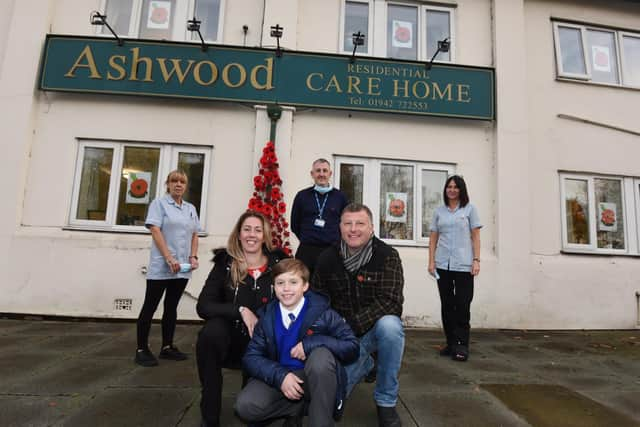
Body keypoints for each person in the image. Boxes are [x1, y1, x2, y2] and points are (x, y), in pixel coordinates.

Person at [235, 259, 359, 427]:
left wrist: (312, 344)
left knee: (320, 358)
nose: (286, 289)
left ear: (305, 286)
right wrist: (280, 376)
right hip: (281, 375)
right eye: (280, 283)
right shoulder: (266, 316)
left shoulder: (324, 313)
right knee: (245, 405)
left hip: (314, 378)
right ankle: (296, 409)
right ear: (274, 287)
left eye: (293, 282)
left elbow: (352, 347)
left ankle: (320, 421)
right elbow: (251, 357)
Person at [312, 203, 405, 427]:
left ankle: (386, 401)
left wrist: (350, 325)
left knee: (391, 327)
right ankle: (362, 363)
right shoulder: (327, 258)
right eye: (348, 224)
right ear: (340, 228)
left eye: (360, 223)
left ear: (371, 228)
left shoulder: (387, 256)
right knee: (331, 394)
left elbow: (391, 302)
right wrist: (334, 331)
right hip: (339, 336)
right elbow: (317, 301)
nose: (353, 229)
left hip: (371, 330)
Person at [196, 210, 287, 427]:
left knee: (252, 410)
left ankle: (268, 407)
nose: (251, 235)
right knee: (210, 334)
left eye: (257, 230)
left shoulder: (280, 264)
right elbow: (204, 306)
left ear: (264, 236)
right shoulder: (225, 264)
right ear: (238, 234)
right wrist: (240, 310)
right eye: (247, 229)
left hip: (265, 341)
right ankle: (209, 417)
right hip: (232, 338)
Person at [135, 170, 200, 367]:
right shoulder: (159, 204)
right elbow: (155, 230)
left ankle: (167, 347)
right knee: (150, 306)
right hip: (163, 266)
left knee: (171, 307)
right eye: (174, 181)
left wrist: (193, 256)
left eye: (182, 182)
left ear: (186, 186)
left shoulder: (190, 208)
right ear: (168, 184)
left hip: (182, 267)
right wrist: (169, 258)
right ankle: (141, 349)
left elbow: (195, 233)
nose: (178, 184)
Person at [428, 175, 482, 362]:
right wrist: (431, 261)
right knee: (447, 305)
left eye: (455, 187)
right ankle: (450, 343)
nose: (452, 190)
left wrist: (476, 260)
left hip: (464, 265)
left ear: (461, 190)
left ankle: (461, 345)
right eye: (449, 187)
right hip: (443, 264)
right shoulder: (439, 212)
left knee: (462, 305)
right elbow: (433, 237)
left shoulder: (470, 210)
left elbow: (475, 236)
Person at [291, 159, 349, 274]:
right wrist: (309, 237)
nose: (321, 174)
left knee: (330, 287)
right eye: (318, 171)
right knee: (302, 284)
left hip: (331, 250)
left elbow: (346, 222)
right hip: (306, 250)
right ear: (312, 174)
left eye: (324, 171)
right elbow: (294, 224)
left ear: (330, 174)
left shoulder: (340, 197)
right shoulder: (302, 196)